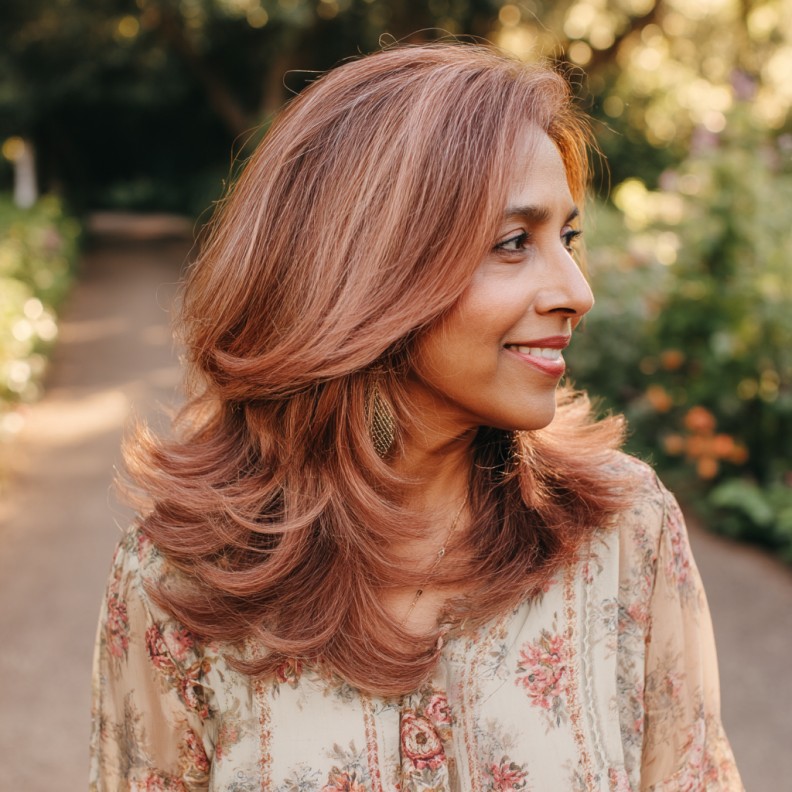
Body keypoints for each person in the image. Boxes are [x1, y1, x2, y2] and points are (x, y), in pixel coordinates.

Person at [89, 43, 743, 791]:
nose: (577, 291)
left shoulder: (627, 536)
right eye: (512, 243)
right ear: (366, 268)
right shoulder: (182, 580)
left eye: (567, 238)